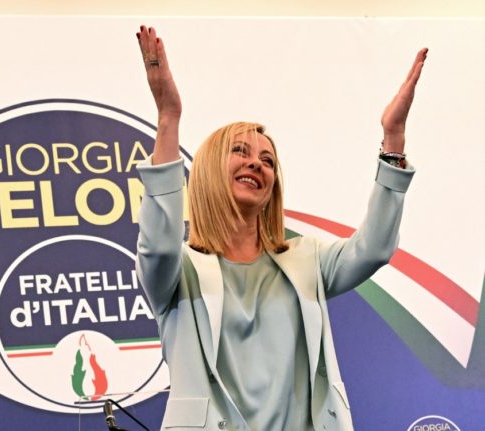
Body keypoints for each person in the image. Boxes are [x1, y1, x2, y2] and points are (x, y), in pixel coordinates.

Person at [134, 25, 427, 431]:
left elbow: (375, 248)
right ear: (206, 173)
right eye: (240, 152)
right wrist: (168, 117)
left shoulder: (306, 258)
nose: (256, 163)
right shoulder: (177, 273)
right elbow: (159, 245)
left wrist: (392, 139)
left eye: (267, 160)